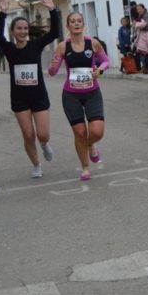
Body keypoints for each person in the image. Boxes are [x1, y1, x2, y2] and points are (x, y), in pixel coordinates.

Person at [0, 0, 59, 179]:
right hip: (19, 98)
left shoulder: (36, 45)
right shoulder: (9, 49)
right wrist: (2, 13)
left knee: (43, 134)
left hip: (38, 95)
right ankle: (36, 165)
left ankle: (45, 145)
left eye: (25, 28)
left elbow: (54, 33)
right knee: (28, 135)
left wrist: (53, 10)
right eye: (19, 29)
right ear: (13, 31)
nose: (23, 31)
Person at [48, 12, 110, 181]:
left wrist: (100, 70)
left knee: (97, 131)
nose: (76, 24)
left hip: (92, 92)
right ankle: (85, 167)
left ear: (83, 24)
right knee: (80, 132)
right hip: (71, 95)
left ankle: (91, 144)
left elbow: (106, 61)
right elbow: (52, 73)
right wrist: (53, 66)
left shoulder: (93, 43)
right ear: (68, 26)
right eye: (72, 22)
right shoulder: (62, 46)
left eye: (79, 21)